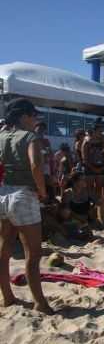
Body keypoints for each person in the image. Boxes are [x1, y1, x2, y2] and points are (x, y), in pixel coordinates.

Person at [0, 99, 53, 314]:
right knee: (33, 253)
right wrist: (42, 191)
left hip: (3, 192)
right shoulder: (31, 137)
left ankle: (7, 297)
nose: (35, 119)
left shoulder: (2, 135)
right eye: (33, 115)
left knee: (4, 250)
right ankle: (40, 302)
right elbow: (35, 165)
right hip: (24, 194)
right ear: (23, 116)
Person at [81, 118, 104, 225]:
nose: (102, 130)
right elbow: (84, 158)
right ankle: (90, 214)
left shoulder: (102, 140)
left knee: (98, 192)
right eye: (101, 127)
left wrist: (103, 166)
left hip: (100, 166)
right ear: (96, 128)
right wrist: (93, 168)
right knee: (89, 191)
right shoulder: (87, 140)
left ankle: (99, 216)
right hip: (90, 168)